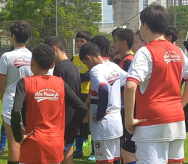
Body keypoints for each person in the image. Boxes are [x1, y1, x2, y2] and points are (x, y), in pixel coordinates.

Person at [124, 4, 188, 164]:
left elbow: (131, 85)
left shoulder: (145, 51)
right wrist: (179, 105)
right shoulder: (177, 50)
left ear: (145, 25)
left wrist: (129, 119)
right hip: (176, 119)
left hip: (151, 121)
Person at [11, 43, 87, 164]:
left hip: (33, 143)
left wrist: (18, 136)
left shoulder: (24, 83)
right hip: (55, 143)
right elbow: (82, 108)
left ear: (32, 62)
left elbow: (15, 111)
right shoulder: (60, 83)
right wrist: (68, 132)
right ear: (52, 65)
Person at [79, 42, 127, 164]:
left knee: (103, 160)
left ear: (89, 58)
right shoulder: (113, 66)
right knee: (115, 159)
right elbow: (128, 81)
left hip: (102, 124)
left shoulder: (95, 70)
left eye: (86, 63)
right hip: (116, 120)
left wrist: (100, 114)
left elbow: (104, 88)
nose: (87, 67)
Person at [0, 21, 33, 164]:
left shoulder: (6, 57)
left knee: (13, 144)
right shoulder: (33, 56)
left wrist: (4, 101)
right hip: (30, 102)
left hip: (11, 102)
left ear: (13, 36)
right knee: (29, 142)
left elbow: (1, 86)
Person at [44, 36, 81, 164]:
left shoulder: (59, 68)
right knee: (68, 154)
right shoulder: (73, 66)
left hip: (62, 119)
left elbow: (56, 96)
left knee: (58, 156)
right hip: (72, 117)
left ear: (54, 49)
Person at [113, 29, 136, 164]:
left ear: (124, 43)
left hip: (124, 104)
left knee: (124, 138)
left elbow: (128, 84)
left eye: (115, 41)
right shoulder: (121, 59)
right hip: (121, 103)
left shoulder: (129, 61)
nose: (113, 44)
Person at [71, 31, 95, 161]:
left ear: (88, 43)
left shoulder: (91, 58)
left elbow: (89, 76)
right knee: (78, 123)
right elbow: (75, 77)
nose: (79, 44)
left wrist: (79, 77)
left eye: (82, 41)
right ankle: (78, 149)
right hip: (77, 94)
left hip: (89, 94)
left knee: (91, 123)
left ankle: (93, 151)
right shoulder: (74, 58)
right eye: (78, 41)